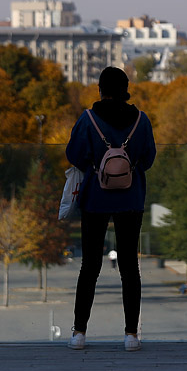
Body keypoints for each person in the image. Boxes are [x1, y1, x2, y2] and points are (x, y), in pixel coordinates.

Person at [66, 67, 156, 352]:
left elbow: (74, 155)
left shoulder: (88, 119)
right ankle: (131, 335)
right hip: (131, 199)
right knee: (130, 266)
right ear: (125, 89)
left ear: (100, 89)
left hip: (95, 198)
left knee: (90, 265)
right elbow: (149, 158)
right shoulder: (141, 121)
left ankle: (79, 333)